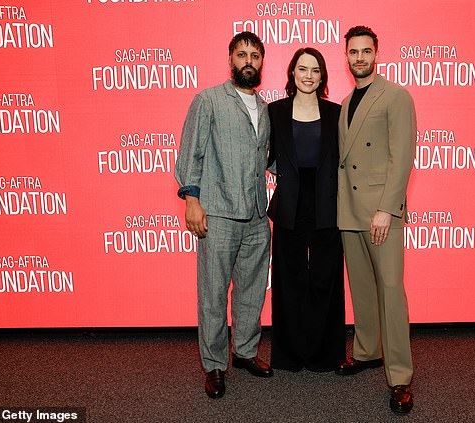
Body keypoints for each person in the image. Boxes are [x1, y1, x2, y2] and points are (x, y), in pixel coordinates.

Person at [175, 31, 273, 400]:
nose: (248, 61)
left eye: (255, 55)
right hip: (216, 214)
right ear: (230, 60)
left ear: (262, 62)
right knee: (213, 293)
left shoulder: (264, 108)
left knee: (251, 292)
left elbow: (269, 159)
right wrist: (191, 201)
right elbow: (191, 154)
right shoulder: (209, 100)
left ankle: (245, 351)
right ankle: (215, 365)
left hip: (257, 217)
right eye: (241, 54)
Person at [335, 26, 417, 414]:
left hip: (380, 211)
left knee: (390, 290)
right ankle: (367, 351)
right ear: (346, 56)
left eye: (366, 51)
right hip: (350, 211)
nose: (360, 58)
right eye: (354, 52)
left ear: (377, 53)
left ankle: (399, 375)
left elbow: (402, 157)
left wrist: (388, 208)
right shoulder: (347, 99)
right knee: (363, 289)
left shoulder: (396, 95)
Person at [267, 48, 345, 372]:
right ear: (293, 73)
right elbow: (263, 153)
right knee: (289, 278)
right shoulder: (274, 111)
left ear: (322, 76)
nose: (309, 76)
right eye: (303, 69)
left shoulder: (336, 113)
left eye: (315, 70)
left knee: (326, 278)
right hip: (290, 201)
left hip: (328, 200)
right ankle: (290, 354)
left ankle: (325, 354)